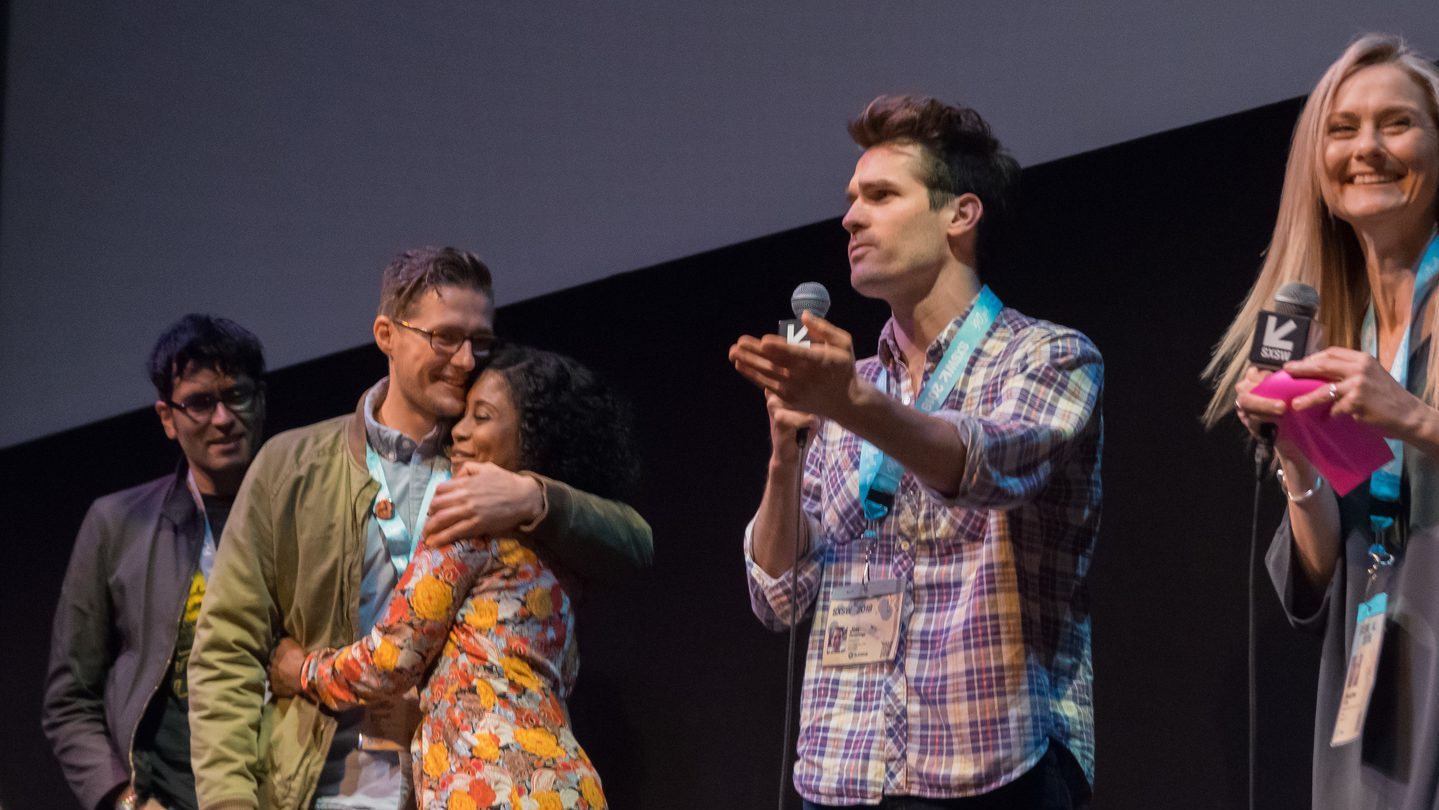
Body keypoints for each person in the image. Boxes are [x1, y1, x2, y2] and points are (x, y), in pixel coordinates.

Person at [728, 95, 1101, 808]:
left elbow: (983, 464)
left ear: (959, 214)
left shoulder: (1049, 358)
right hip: (842, 768)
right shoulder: (848, 389)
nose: (849, 217)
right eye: (849, 200)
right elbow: (778, 597)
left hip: (993, 767)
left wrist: (852, 406)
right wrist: (784, 453)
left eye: (879, 195)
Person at [189, 248, 653, 810]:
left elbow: (635, 543)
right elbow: (226, 652)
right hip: (330, 788)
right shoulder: (291, 465)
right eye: (445, 338)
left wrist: (535, 495)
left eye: (480, 342)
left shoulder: (500, 468)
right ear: (387, 334)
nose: (465, 359)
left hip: (462, 785)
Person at [1211, 34, 1439, 810]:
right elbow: (1319, 577)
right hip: (1376, 670)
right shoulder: (1338, 331)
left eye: (1396, 124)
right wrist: (1299, 459)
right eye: (1340, 130)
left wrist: (1413, 417)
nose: (1365, 148)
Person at [269, 344, 635, 810]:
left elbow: (390, 659)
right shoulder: (561, 549)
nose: (458, 432)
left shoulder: (468, 518)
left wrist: (302, 671)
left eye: (481, 417)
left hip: (494, 787)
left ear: (535, 436)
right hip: (564, 787)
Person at [44, 314, 267, 810]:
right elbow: (68, 699)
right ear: (168, 418)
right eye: (200, 403)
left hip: (286, 787)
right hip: (168, 795)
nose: (223, 417)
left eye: (237, 395)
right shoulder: (116, 524)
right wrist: (124, 801)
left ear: (260, 399)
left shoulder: (303, 511)